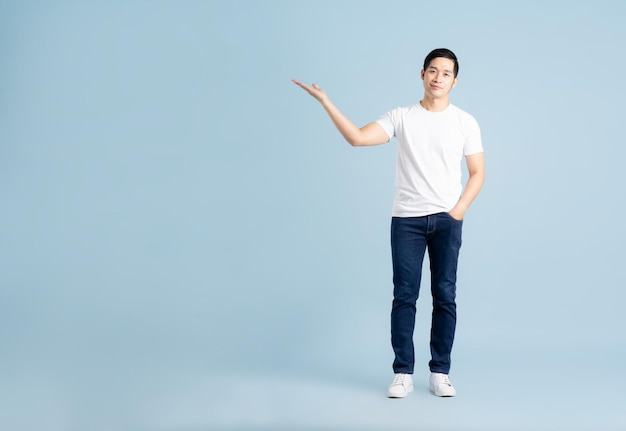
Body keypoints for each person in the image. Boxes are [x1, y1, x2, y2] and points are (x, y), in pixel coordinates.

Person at [292, 48, 485, 398]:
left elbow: (477, 173)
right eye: (432, 70)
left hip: (447, 220)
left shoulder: (465, 122)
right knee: (404, 296)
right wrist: (325, 101)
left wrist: (458, 211)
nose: (438, 77)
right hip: (407, 221)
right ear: (422, 75)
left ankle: (440, 371)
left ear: (454, 81)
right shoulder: (401, 116)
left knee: (445, 296)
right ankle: (402, 373)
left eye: (445, 73)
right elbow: (357, 138)